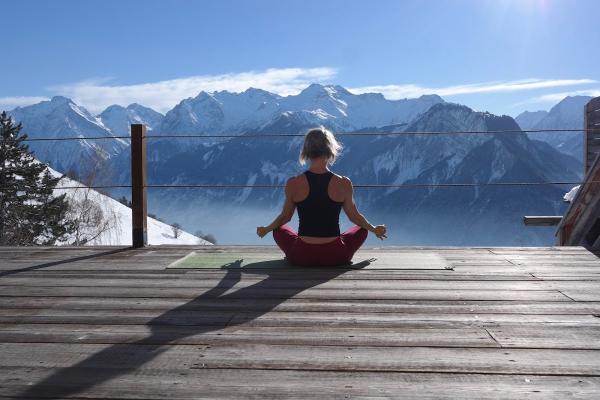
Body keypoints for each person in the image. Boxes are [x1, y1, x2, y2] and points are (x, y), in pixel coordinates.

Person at [256, 127, 387, 266]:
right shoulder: (344, 183)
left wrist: (266, 229)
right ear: (331, 150)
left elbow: (285, 218)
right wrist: (373, 229)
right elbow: (355, 217)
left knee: (278, 229)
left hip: (301, 256)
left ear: (306, 151)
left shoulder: (293, 183)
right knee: (362, 229)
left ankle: (294, 251)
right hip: (336, 256)